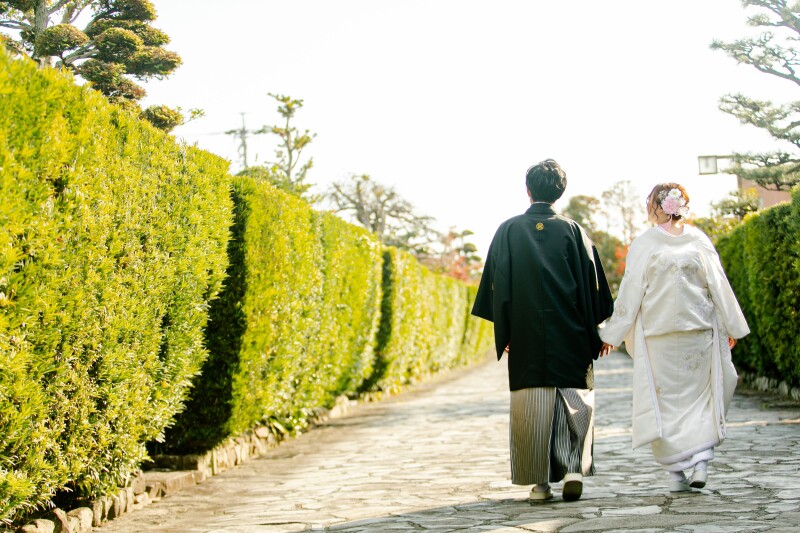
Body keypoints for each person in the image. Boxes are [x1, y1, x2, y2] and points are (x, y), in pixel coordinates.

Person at [472, 159, 614, 502]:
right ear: (560, 192)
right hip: (572, 334)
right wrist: (598, 332)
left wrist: (505, 332)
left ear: (528, 189)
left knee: (532, 406)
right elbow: (593, 289)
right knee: (574, 400)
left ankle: (540, 485)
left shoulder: (508, 230)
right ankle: (573, 469)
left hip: (526, 334)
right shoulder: (574, 231)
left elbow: (497, 284)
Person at [599, 183, 749, 493]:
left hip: (667, 336)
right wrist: (731, 325)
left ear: (656, 207)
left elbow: (631, 292)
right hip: (691, 333)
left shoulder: (646, 243)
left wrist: (612, 333)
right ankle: (697, 462)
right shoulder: (698, 240)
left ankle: (683, 469)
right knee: (694, 402)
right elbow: (717, 285)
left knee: (666, 406)